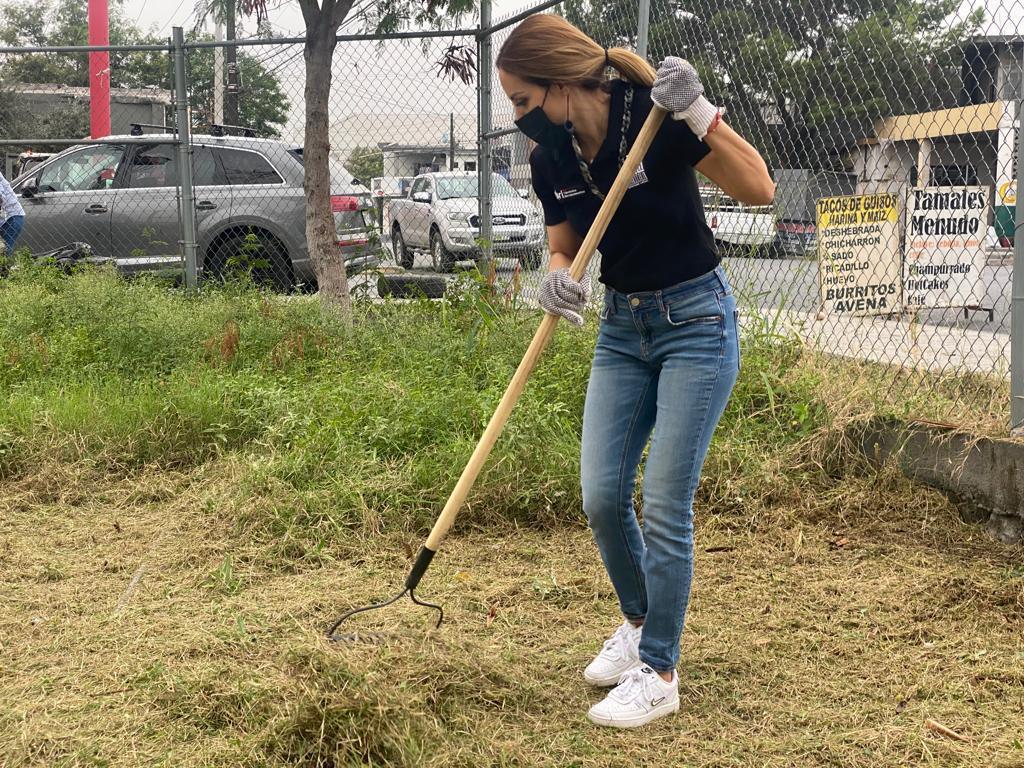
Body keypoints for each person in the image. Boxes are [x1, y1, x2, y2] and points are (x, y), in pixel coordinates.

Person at [496, 16, 774, 729]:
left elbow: (759, 189)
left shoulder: (650, 117)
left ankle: (660, 669)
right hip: (622, 329)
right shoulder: (549, 160)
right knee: (601, 494)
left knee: (663, 499)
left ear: (562, 85)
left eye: (523, 102)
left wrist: (696, 109)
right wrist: (556, 277)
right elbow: (564, 245)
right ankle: (639, 622)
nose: (519, 119)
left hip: (696, 325)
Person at [0, 168, 26, 264]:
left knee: (5, 252)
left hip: (11, 218)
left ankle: (5, 273)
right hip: (8, 217)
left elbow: (0, 198)